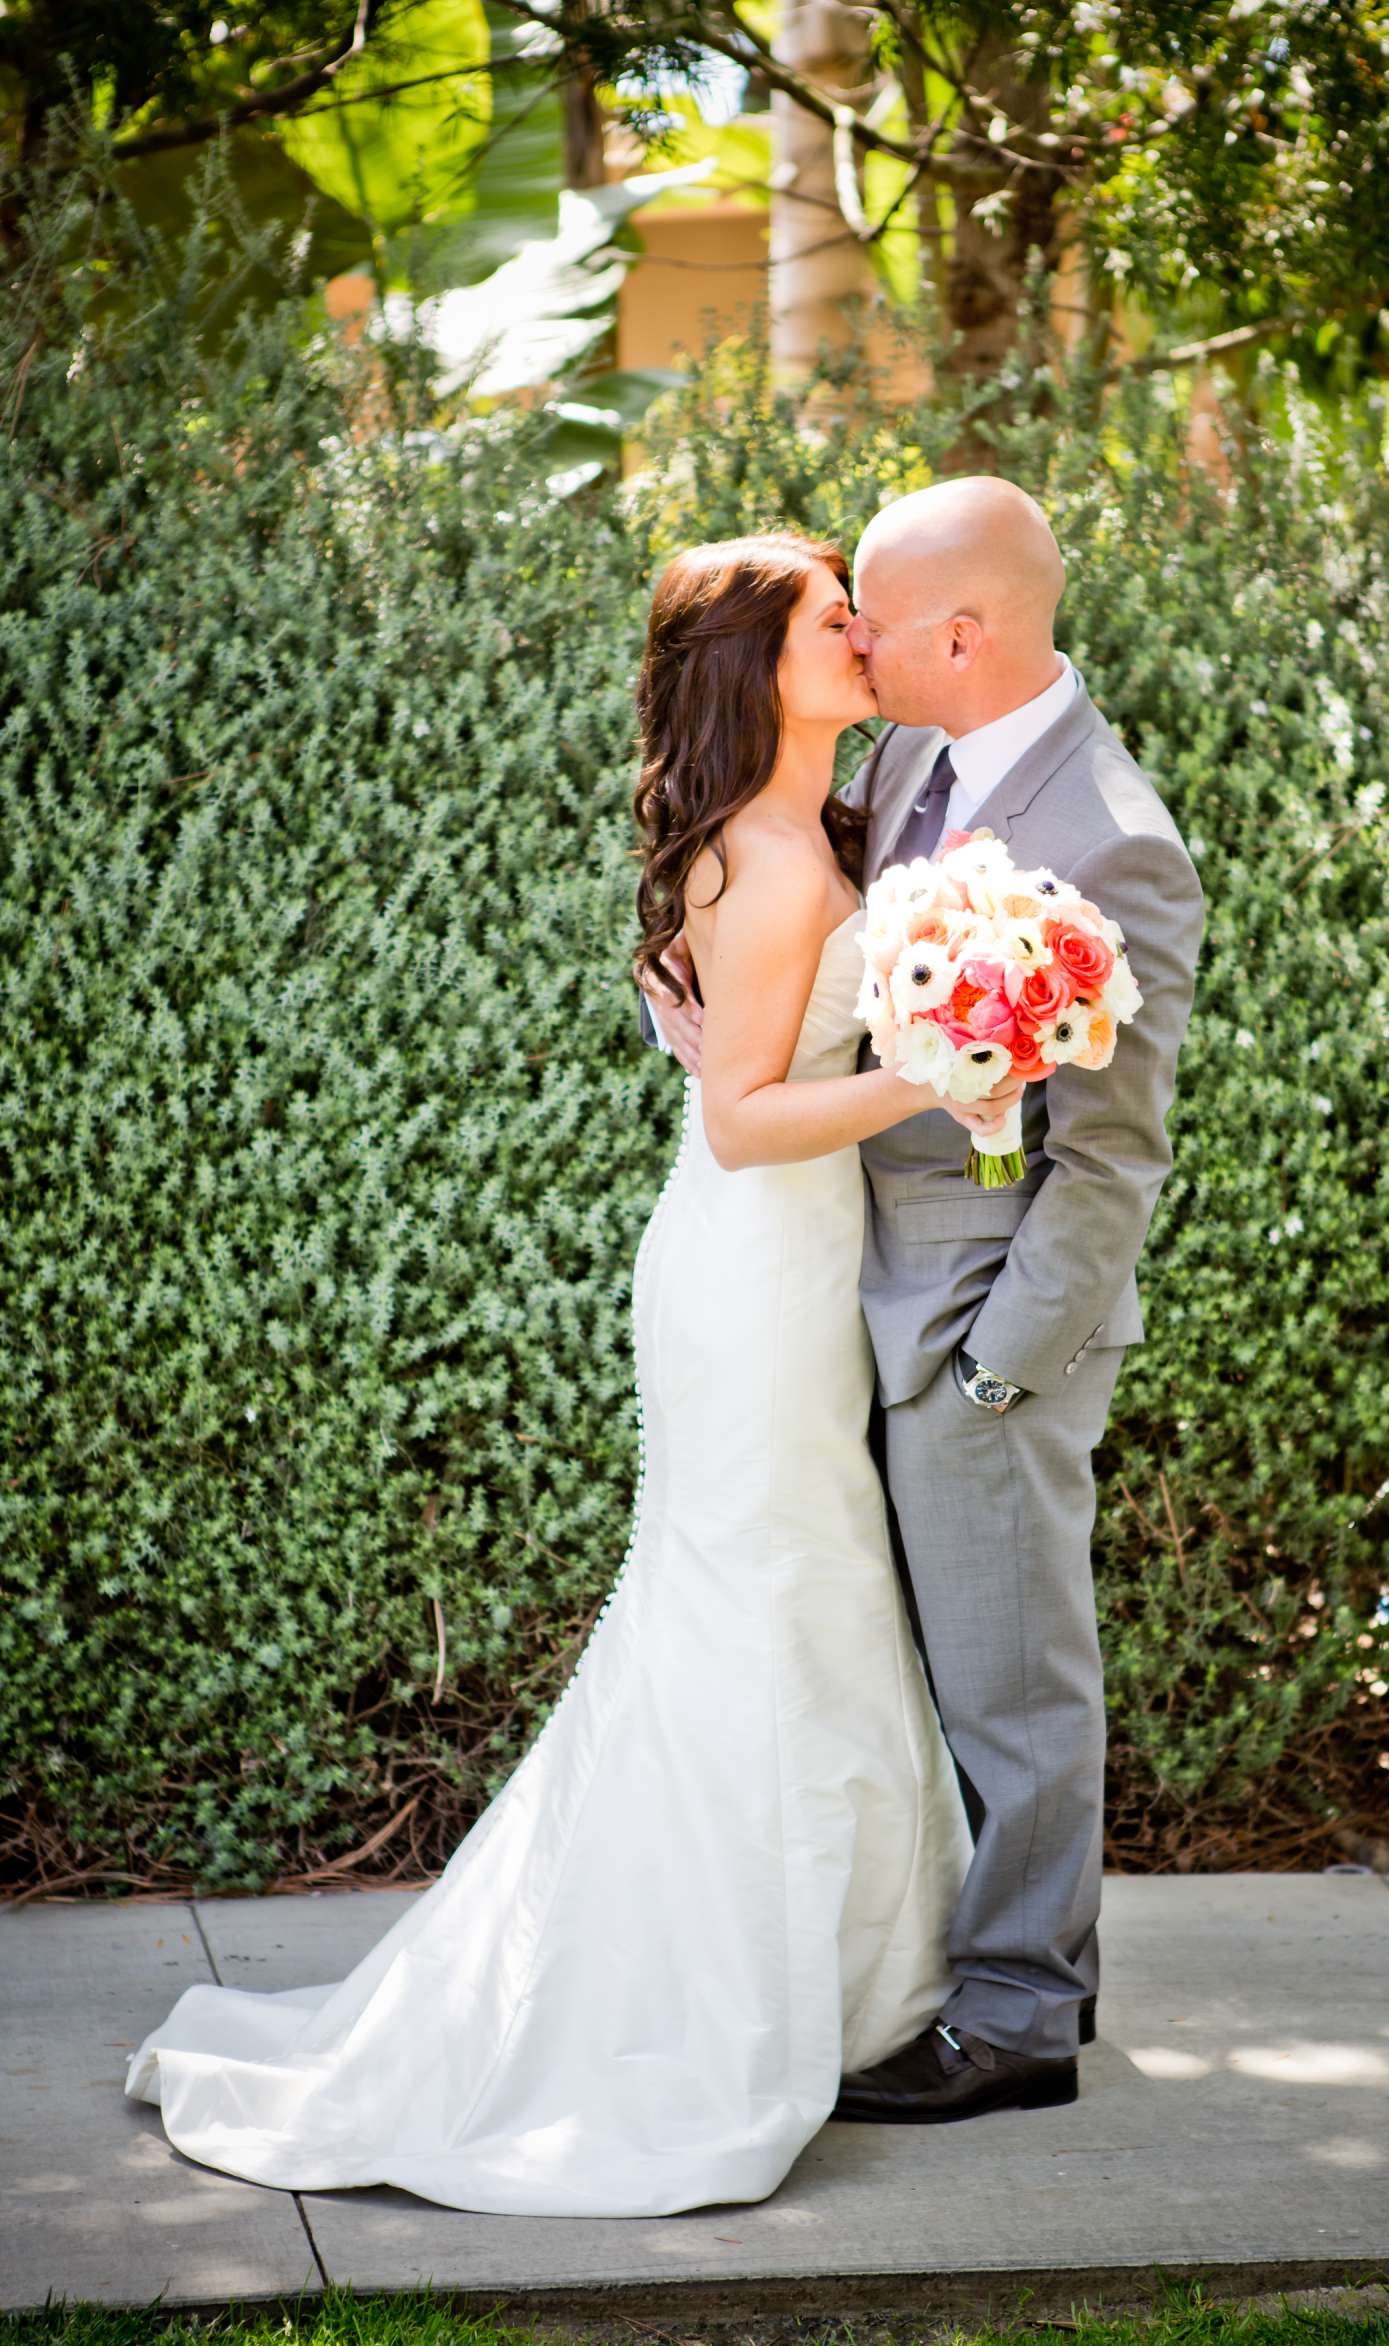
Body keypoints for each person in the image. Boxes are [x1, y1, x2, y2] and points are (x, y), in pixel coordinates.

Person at [123, 530, 1023, 2215]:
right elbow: (745, 1122)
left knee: (807, 1594)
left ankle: (830, 1980)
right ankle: (703, 2000)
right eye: (836, 622)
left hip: (796, 1268)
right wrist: (939, 1074)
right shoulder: (761, 856)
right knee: (757, 1600)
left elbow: (726, 1040)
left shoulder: (820, 825)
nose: (863, 638)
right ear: (753, 664)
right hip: (752, 1270)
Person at [642, 476, 1205, 2126]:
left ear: (960, 631)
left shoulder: (1113, 838)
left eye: (875, 615)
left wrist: (1002, 1372)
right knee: (876, 1670)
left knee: (1015, 1684)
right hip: (829, 1296)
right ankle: (899, 1962)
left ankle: (1024, 2022)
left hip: (978, 1340)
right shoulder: (895, 765)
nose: (860, 640)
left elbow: (1111, 1159)